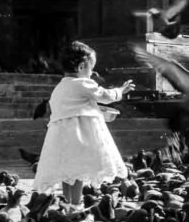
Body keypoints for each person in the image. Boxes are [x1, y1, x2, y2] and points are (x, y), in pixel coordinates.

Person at [32, 41, 135, 211]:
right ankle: (76, 204)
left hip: (60, 138)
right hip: (79, 135)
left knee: (68, 172)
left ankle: (67, 202)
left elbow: (70, 108)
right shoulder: (82, 83)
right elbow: (105, 96)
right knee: (79, 169)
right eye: (91, 68)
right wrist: (120, 91)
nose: (92, 73)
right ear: (81, 67)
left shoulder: (59, 88)